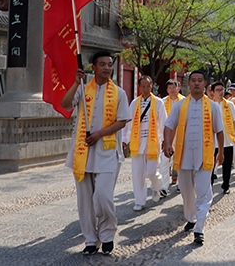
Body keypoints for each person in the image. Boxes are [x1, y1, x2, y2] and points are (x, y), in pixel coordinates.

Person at [61, 51, 131, 256]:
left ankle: (107, 234)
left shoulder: (119, 92)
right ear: (94, 67)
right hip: (83, 152)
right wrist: (75, 82)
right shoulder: (83, 89)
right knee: (84, 200)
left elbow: (122, 120)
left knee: (103, 196)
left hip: (108, 152)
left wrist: (100, 133)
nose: (107, 68)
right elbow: (66, 104)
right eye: (103, 64)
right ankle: (91, 239)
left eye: (110, 64)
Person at [162, 71, 224, 245]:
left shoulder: (212, 107)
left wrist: (221, 152)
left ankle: (199, 229)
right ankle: (191, 217)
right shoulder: (180, 106)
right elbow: (169, 125)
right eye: (193, 81)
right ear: (188, 84)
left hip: (205, 157)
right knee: (187, 192)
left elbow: (219, 130)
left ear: (205, 83)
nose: (196, 84)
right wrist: (167, 143)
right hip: (184, 156)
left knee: (204, 194)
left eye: (200, 81)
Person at [122, 75, 167, 211]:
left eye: (148, 86)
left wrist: (165, 140)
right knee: (138, 173)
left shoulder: (158, 103)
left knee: (151, 171)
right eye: (143, 86)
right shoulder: (134, 103)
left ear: (151, 86)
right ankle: (139, 201)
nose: (146, 89)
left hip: (153, 141)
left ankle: (156, 187)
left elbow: (164, 123)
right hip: (137, 142)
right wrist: (124, 139)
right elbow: (128, 123)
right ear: (139, 87)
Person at [210, 81, 235, 194]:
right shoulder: (209, 104)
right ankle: (209, 186)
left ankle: (226, 185)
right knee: (211, 165)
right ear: (212, 92)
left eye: (222, 90)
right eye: (218, 90)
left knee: (227, 164)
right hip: (212, 140)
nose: (221, 92)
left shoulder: (230, 104)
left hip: (227, 139)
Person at [160, 79, 184, 194]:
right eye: (169, 88)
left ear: (178, 88)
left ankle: (180, 183)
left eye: (174, 87)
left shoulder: (184, 101)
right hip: (167, 136)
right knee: (164, 160)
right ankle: (164, 186)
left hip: (181, 135)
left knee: (180, 160)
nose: (172, 90)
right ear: (167, 90)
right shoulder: (162, 102)